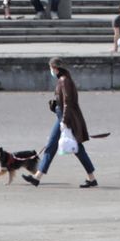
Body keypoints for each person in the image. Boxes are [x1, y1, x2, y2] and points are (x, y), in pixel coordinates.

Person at [21, 59, 98, 188]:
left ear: (55, 68)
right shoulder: (64, 79)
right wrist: (56, 106)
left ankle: (92, 178)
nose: (50, 71)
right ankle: (37, 177)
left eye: (51, 68)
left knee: (77, 149)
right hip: (62, 117)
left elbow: (68, 102)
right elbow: (64, 101)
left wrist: (64, 121)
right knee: (51, 145)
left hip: (67, 118)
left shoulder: (64, 80)